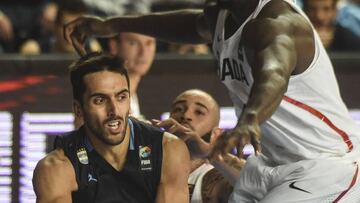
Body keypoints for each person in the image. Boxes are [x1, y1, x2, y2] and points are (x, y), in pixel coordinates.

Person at [63, 0, 360, 201]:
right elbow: (189, 25)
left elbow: (273, 76)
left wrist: (250, 120)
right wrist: (111, 25)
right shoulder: (222, 16)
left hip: (327, 166)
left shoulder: (276, 23)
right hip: (271, 165)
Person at [32, 53, 190, 203]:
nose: (114, 111)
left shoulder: (168, 150)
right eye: (100, 100)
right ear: (78, 109)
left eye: (121, 97)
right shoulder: (57, 167)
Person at [153, 89, 241, 202]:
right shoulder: (147, 167)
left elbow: (259, 187)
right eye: (178, 109)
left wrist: (208, 152)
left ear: (216, 135)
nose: (185, 115)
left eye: (199, 112)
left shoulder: (217, 178)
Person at [108, 32, 156, 118]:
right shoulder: (107, 95)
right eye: (133, 43)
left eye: (149, 43)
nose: (143, 53)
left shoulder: (137, 94)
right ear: (114, 46)